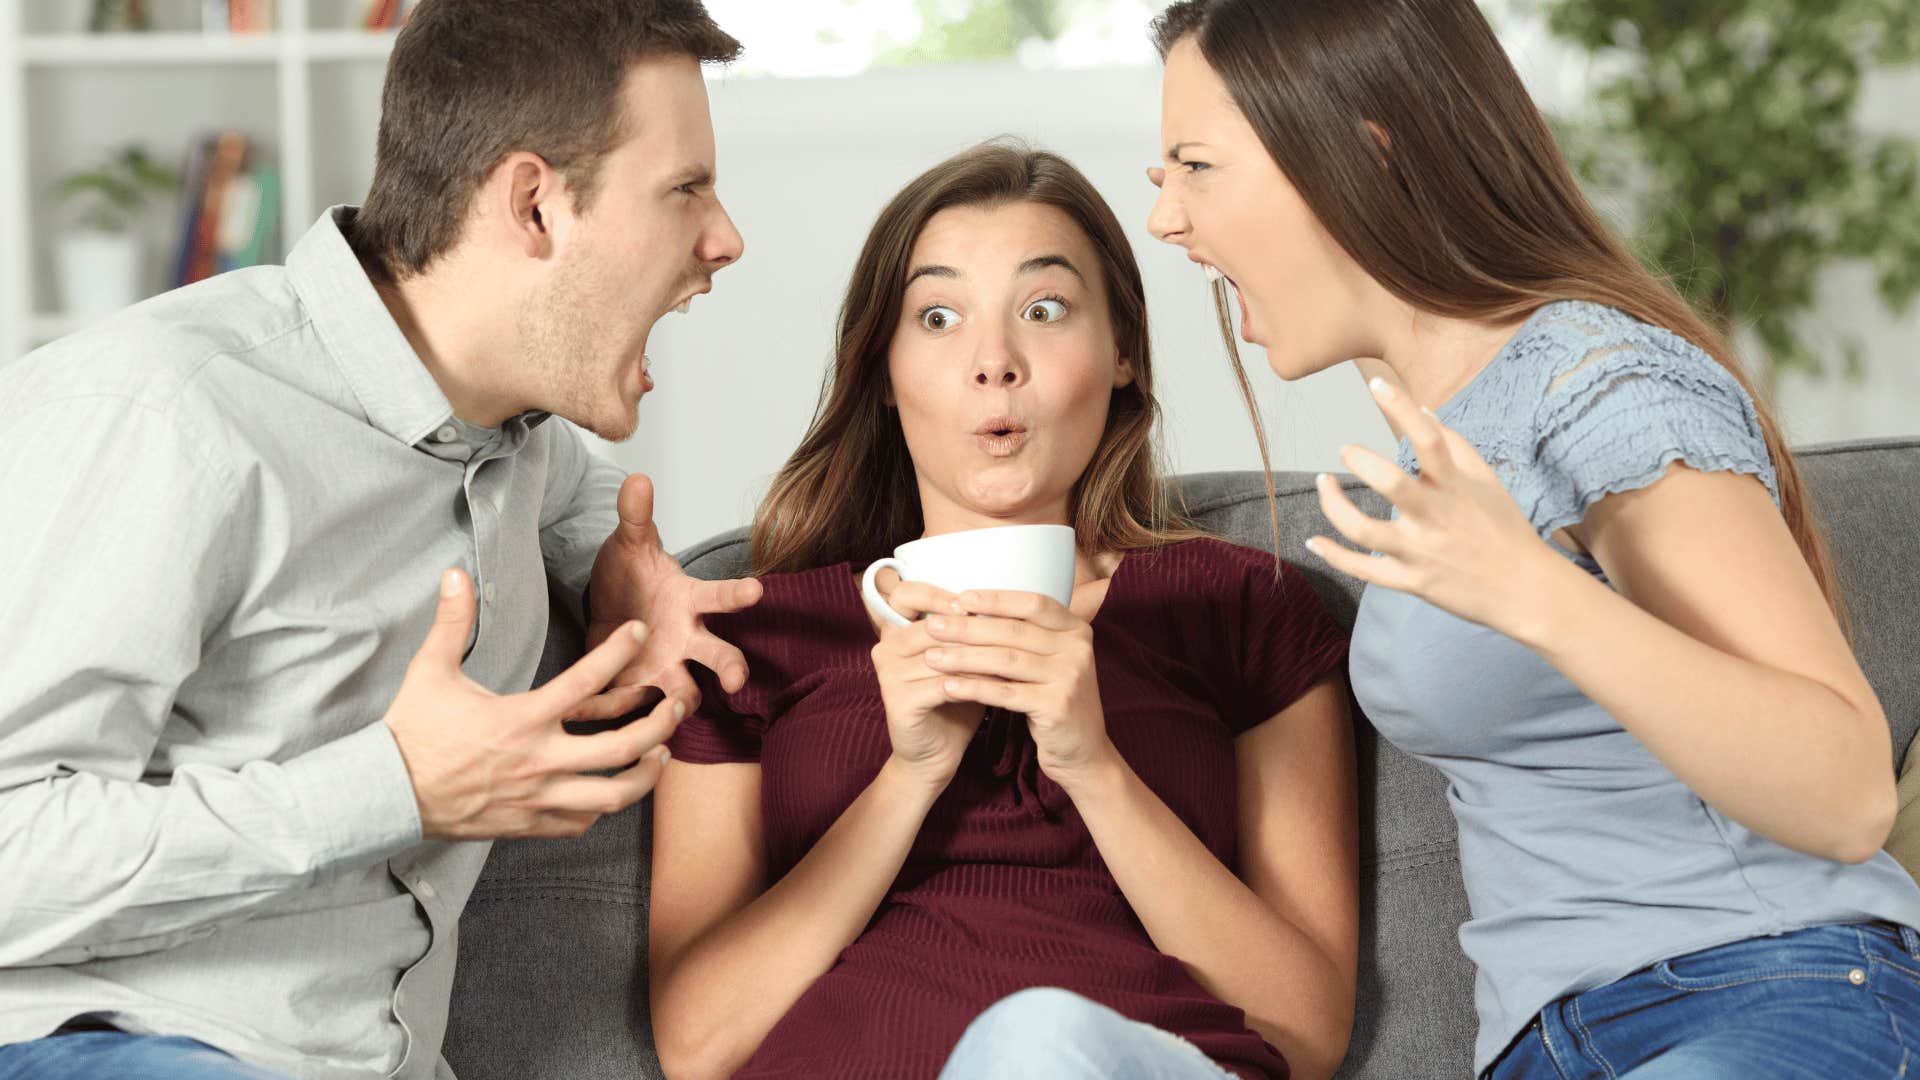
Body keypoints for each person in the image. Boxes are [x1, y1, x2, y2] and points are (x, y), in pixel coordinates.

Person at [1144, 1, 1920, 1078]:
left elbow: (1844, 794)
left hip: (1758, 990)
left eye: (1195, 166)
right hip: (1546, 1047)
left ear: (1360, 156)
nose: (1166, 221)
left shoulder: (1597, 381)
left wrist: (1539, 595)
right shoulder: (1446, 437)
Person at [0, 2, 760, 1077]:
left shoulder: (506, 434)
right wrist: (393, 786)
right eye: (685, 189)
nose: (724, 238)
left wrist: (608, 564)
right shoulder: (164, 417)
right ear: (535, 204)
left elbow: (564, 493)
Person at [645, 142, 1358, 1080]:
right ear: (881, 372)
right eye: (938, 316)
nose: (994, 362)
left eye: (1044, 309)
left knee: (1037, 1046)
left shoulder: (1239, 604)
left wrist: (1092, 765)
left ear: (1123, 355)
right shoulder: (754, 637)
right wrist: (909, 776)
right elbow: (697, 1048)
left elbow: (1306, 1031)